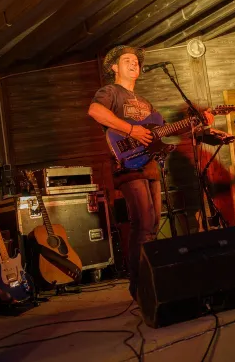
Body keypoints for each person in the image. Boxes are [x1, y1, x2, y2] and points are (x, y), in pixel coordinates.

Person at [88, 45, 223, 300]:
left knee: (152, 224)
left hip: (149, 164)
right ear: (114, 67)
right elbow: (95, 111)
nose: (134, 64)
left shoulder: (145, 102)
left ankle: (153, 278)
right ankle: (138, 285)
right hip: (127, 163)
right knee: (143, 222)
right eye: (127, 60)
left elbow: (162, 132)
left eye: (136, 61)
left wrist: (199, 122)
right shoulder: (110, 92)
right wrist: (131, 131)